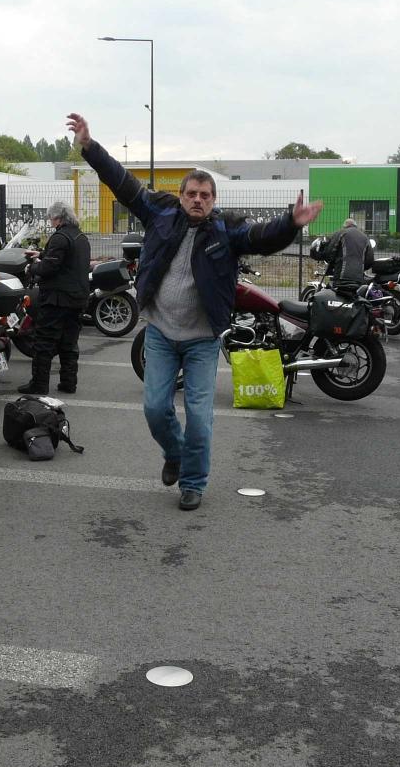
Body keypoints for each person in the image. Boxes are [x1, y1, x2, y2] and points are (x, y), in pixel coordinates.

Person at [67, 112, 322, 511]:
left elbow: (258, 236)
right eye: (192, 194)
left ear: (213, 200)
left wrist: (290, 224)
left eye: (205, 195)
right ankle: (175, 453)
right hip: (160, 334)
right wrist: (89, 147)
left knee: (200, 419)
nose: (198, 200)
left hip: (202, 340)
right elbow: (122, 182)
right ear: (182, 195)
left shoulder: (225, 230)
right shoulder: (160, 213)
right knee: (155, 408)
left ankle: (193, 483)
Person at [19, 201, 90, 394]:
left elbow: (49, 267)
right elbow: (66, 259)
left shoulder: (59, 237)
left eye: (51, 218)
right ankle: (68, 382)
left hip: (57, 298)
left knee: (44, 341)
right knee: (69, 342)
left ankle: (39, 384)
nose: (50, 222)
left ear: (58, 218)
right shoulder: (81, 237)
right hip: (78, 298)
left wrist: (32, 267)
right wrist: (42, 253)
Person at [319, 216, 374, 289]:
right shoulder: (365, 237)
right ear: (355, 226)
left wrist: (331, 262)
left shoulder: (340, 233)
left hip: (341, 276)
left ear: (345, 226)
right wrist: (360, 268)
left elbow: (329, 252)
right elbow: (370, 260)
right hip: (358, 278)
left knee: (336, 294)